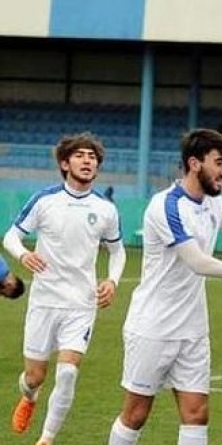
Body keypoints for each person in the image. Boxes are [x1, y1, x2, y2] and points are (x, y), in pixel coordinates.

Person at [107, 129, 222, 445]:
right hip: (154, 327)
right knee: (135, 414)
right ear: (194, 163)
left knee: (196, 414)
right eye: (219, 162)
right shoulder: (166, 205)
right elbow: (197, 262)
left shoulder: (216, 204)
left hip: (193, 328)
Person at [3, 133, 127, 445]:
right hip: (44, 302)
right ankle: (29, 397)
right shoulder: (44, 200)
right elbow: (11, 237)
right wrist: (24, 254)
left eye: (92, 157)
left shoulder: (106, 209)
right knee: (34, 378)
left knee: (68, 372)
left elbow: (117, 251)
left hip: (81, 304)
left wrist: (112, 280)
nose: (88, 161)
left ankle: (46, 439)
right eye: (80, 155)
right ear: (64, 163)